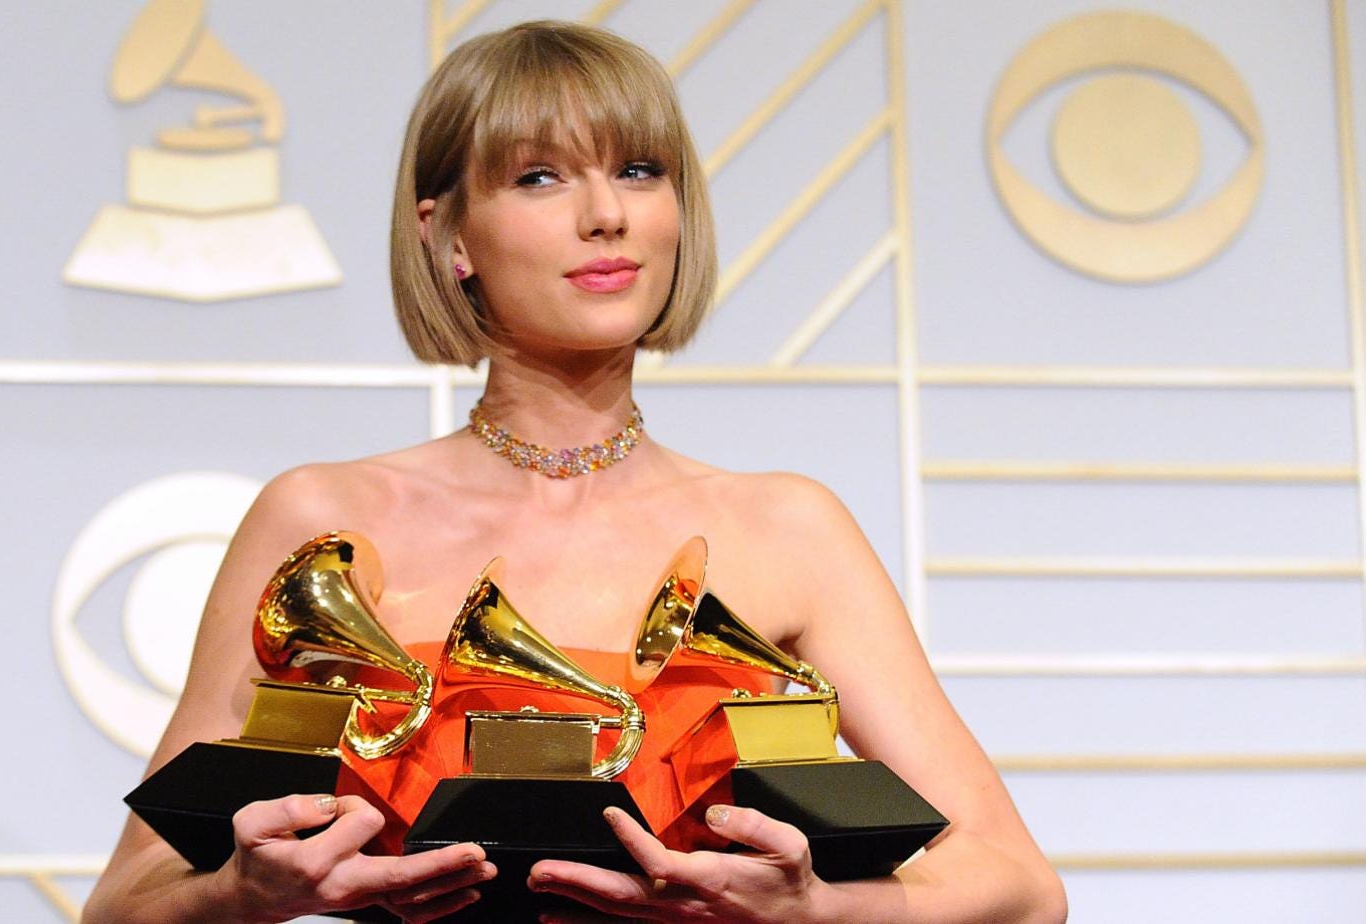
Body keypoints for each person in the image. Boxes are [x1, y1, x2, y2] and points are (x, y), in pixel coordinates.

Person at [84, 19, 1067, 924]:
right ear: (447, 235)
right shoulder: (322, 520)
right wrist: (243, 895)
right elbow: (126, 901)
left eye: (638, 171)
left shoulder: (787, 528)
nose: (606, 215)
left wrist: (815, 910)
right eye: (540, 178)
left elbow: (1020, 887)